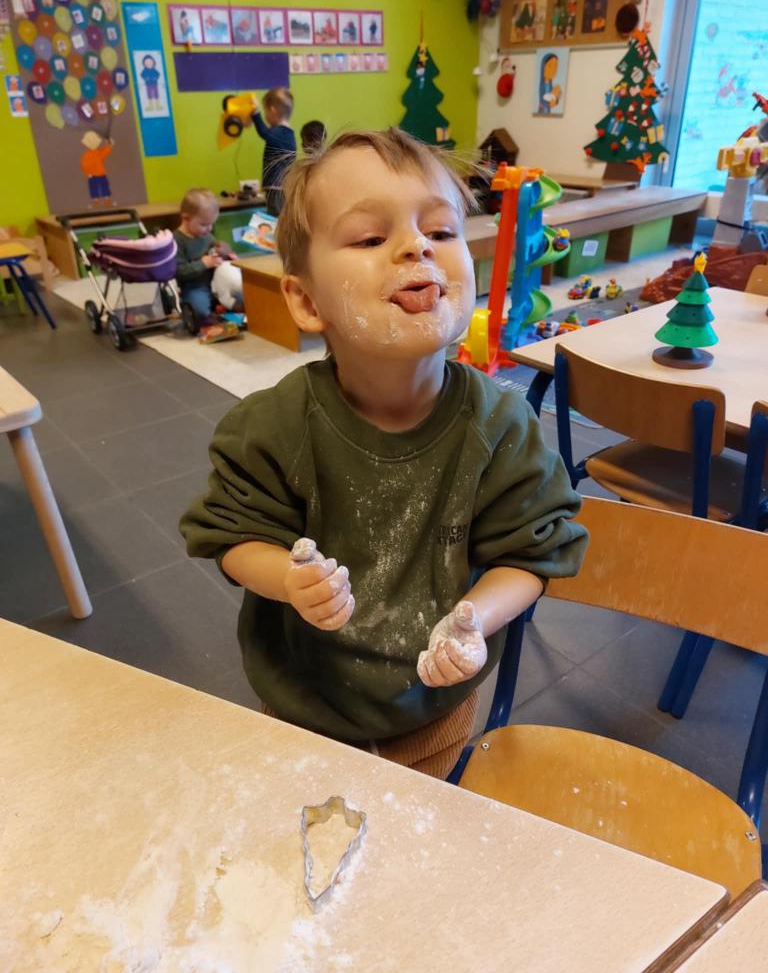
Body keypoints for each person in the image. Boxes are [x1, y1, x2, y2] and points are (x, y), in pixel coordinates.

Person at [180, 128, 587, 779]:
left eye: (441, 231)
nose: (417, 246)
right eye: (371, 238)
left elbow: (532, 555)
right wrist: (287, 579)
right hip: (303, 704)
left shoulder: (503, 426)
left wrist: (474, 620)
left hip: (435, 707)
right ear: (307, 300)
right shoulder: (270, 427)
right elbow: (230, 537)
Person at [173, 188, 241, 322]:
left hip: (217, 282)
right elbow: (178, 271)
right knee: (200, 311)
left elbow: (216, 253)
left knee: (244, 295)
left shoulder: (207, 235)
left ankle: (221, 308)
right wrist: (203, 264)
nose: (209, 229)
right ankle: (211, 310)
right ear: (186, 219)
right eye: (204, 224)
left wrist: (228, 257)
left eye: (211, 224)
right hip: (195, 286)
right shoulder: (176, 240)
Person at [251, 87, 296, 216]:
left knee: (275, 216)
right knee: (278, 215)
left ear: (272, 110)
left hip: (276, 187)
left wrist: (255, 113)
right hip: (281, 186)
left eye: (265, 112)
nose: (265, 117)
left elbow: (264, 132)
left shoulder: (281, 133)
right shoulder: (288, 133)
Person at [80, 130, 114, 208]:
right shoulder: (93, 154)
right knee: (98, 187)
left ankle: (103, 200)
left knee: (100, 187)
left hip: (98, 175)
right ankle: (100, 200)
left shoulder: (93, 154)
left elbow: (84, 165)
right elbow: (84, 165)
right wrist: (88, 173)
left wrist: (109, 144)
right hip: (96, 175)